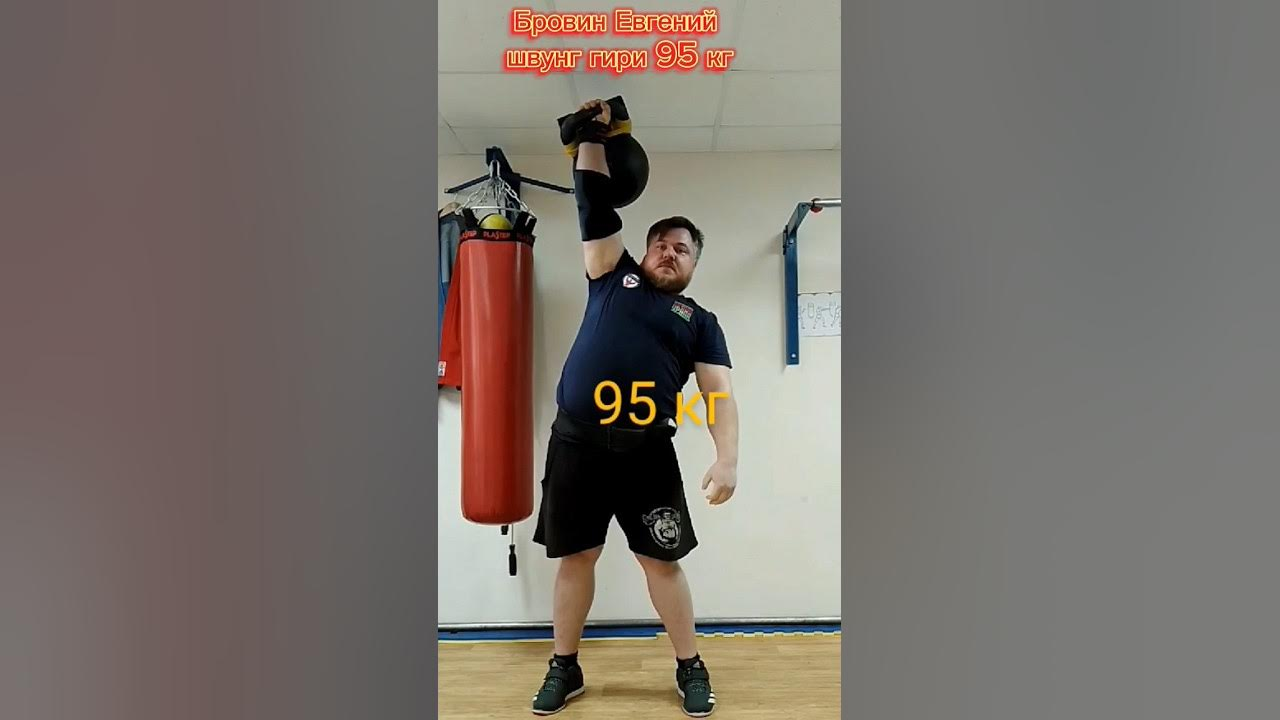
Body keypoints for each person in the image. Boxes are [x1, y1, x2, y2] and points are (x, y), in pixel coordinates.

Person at [530, 99, 740, 718]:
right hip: (577, 445)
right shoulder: (610, 275)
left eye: (683, 249)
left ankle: (690, 665)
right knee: (576, 557)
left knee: (661, 562)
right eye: (661, 245)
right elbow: (594, 205)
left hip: (647, 453)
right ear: (644, 252)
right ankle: (564, 668)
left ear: (693, 265)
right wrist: (591, 138)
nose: (669, 253)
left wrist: (727, 457)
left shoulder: (699, 321)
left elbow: (718, 394)